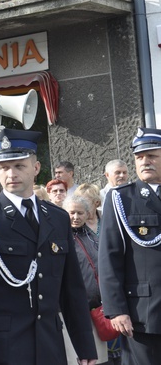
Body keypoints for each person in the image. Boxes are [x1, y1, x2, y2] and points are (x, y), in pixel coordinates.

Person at [0, 128, 97, 365]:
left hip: (49, 344)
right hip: (2, 347)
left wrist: (85, 346)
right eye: (4, 168)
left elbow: (71, 289)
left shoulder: (57, 217)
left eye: (19, 166)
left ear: (36, 168)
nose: (11, 174)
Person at [99, 127, 161, 363]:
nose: (145, 162)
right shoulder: (121, 199)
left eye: (152, 156)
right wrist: (116, 309)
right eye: (139, 157)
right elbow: (109, 258)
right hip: (143, 313)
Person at [63, 195, 109, 364]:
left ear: (87, 214)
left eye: (80, 213)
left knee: (98, 358)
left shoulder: (92, 236)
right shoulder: (60, 236)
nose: (76, 217)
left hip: (95, 305)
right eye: (72, 213)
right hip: (72, 306)